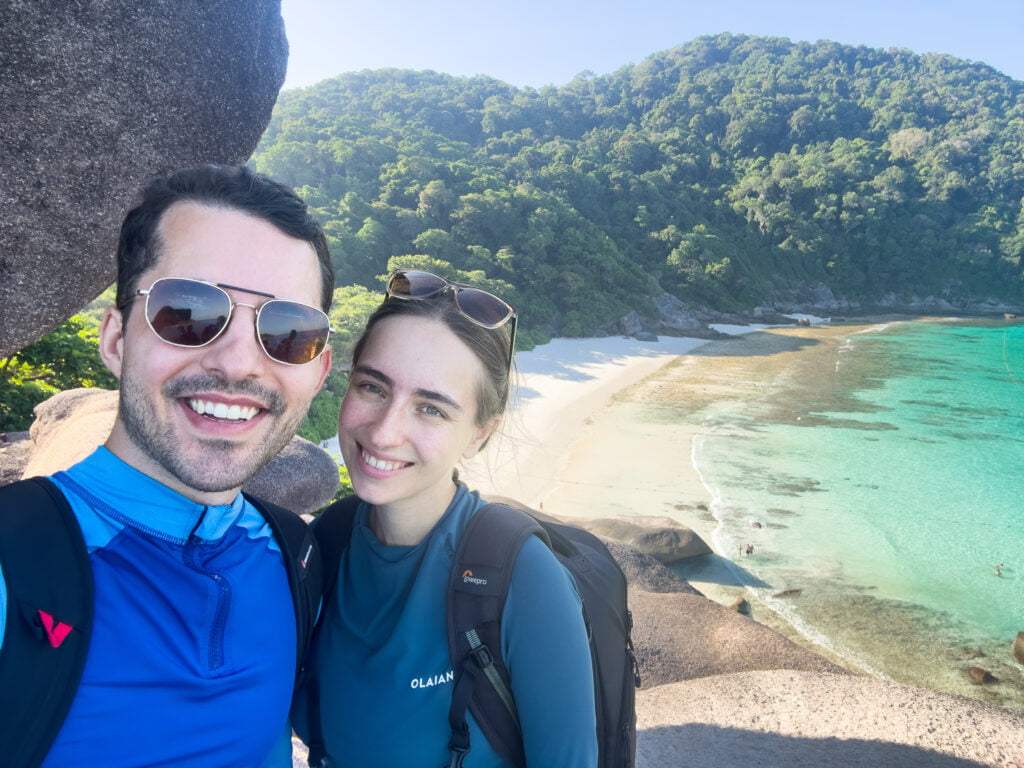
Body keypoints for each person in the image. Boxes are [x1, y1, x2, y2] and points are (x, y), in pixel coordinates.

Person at [0, 164, 334, 766]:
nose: (239, 365)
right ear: (117, 338)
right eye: (188, 311)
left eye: (287, 331)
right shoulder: (13, 558)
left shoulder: (295, 556)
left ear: (318, 369)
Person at [293, 269, 598, 766]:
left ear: (480, 433)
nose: (385, 432)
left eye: (431, 409)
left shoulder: (519, 578)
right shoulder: (326, 542)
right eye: (373, 386)